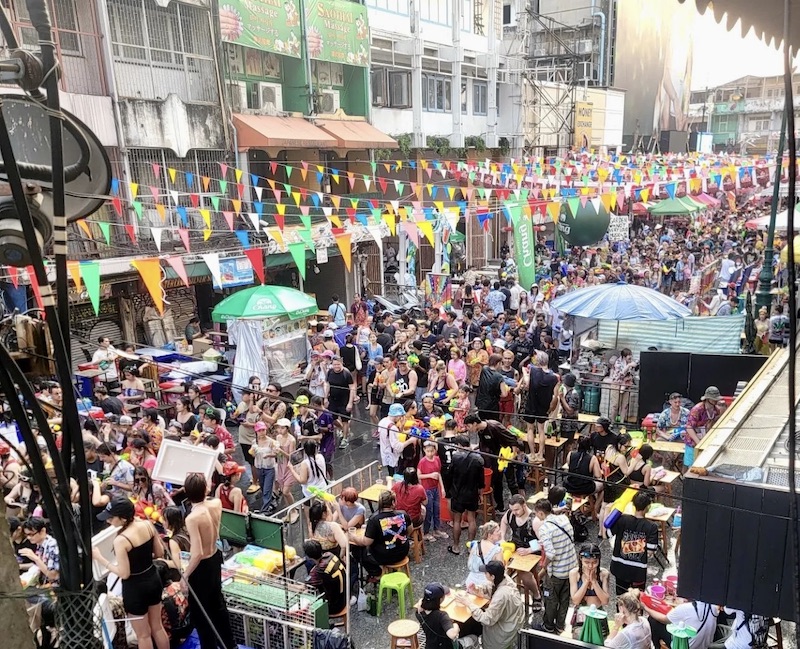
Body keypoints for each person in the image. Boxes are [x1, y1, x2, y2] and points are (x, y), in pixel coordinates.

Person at [93, 497, 170, 649]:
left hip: (135, 588)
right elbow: (159, 552)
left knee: (143, 635)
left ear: (122, 518)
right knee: (158, 627)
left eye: (111, 518)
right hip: (153, 579)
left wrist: (101, 559)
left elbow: (124, 573)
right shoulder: (147, 524)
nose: (108, 521)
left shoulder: (121, 540)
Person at [183, 473, 236, 649]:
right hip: (214, 557)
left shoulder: (192, 518)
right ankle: (230, 645)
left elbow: (197, 553)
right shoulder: (216, 504)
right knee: (218, 606)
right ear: (206, 488)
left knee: (201, 614)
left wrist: (185, 575)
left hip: (201, 566)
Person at [455, 560, 525, 649]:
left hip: (502, 633)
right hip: (511, 622)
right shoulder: (504, 578)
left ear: (492, 576)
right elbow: (491, 586)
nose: (484, 574)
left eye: (486, 573)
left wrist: (468, 603)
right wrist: (478, 590)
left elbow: (487, 619)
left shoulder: (501, 595)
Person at [534, 499, 578, 634]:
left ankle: (548, 625)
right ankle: (560, 625)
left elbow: (551, 553)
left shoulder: (545, 528)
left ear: (541, 513)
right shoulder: (564, 519)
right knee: (565, 599)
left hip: (557, 571)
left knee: (551, 599)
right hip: (571, 567)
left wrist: (543, 568)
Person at [464, 415, 520, 511]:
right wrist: (474, 449)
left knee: (511, 482)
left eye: (468, 426)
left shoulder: (494, 427)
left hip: (505, 455)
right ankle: (500, 506)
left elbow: (512, 438)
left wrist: (513, 455)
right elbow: (483, 443)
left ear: (474, 423)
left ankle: (518, 505)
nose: (468, 429)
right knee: (496, 482)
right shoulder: (480, 431)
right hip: (494, 458)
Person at [609, 490, 659, 595]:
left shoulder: (622, 519)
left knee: (621, 596)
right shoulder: (652, 527)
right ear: (648, 507)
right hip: (638, 571)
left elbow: (608, 533)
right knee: (637, 599)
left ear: (633, 504)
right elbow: (650, 552)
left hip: (619, 567)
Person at [351, 490, 411, 577]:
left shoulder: (374, 519)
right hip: (403, 551)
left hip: (384, 556)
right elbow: (409, 530)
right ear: (393, 503)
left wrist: (353, 537)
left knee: (357, 551)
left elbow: (366, 542)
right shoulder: (404, 514)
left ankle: (376, 574)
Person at [499, 494, 542, 608]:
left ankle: (537, 596)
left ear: (524, 506)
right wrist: (502, 537)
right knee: (497, 564)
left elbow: (543, 542)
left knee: (522, 572)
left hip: (532, 549)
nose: (514, 512)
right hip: (515, 546)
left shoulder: (534, 520)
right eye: (512, 510)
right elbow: (503, 522)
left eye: (517, 509)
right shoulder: (510, 514)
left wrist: (528, 550)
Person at [448, 435, 484, 555]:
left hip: (457, 493)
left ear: (459, 445)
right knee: (472, 519)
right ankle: (470, 546)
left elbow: (450, 474)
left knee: (457, 521)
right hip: (472, 493)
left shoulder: (456, 457)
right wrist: (480, 493)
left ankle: (456, 546)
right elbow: (481, 480)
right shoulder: (478, 459)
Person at [524, 350, 559, 463]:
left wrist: (525, 373)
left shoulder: (533, 371)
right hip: (544, 405)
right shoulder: (554, 377)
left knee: (530, 429)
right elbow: (555, 396)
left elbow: (527, 384)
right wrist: (551, 408)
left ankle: (532, 454)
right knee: (541, 430)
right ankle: (540, 453)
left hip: (531, 404)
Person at [643, 600, 720, 649]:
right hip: (705, 645)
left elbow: (663, 620)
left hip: (685, 646)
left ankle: (656, 647)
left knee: (653, 620)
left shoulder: (685, 608)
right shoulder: (714, 606)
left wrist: (646, 608)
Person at [569, 544, 610, 627]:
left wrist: (594, 582)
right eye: (586, 562)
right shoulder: (574, 574)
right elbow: (576, 600)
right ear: (581, 560)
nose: (590, 566)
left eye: (594, 562)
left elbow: (605, 601)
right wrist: (586, 581)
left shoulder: (604, 574)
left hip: (598, 613)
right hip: (581, 614)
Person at [303, 539, 348, 616]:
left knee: (305, 604)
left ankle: (327, 626)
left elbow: (304, 588)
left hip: (335, 607)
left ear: (309, 557)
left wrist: (286, 585)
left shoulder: (318, 572)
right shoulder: (330, 555)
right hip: (346, 598)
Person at [685, 386, 726, 467]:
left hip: (706, 438)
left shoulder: (716, 410)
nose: (716, 400)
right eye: (714, 399)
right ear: (708, 399)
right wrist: (699, 443)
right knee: (691, 466)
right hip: (693, 441)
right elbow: (689, 427)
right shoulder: (697, 409)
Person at [416, 583, 462, 649]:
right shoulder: (441, 616)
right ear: (441, 599)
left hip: (430, 646)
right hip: (446, 646)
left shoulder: (419, 612)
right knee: (472, 638)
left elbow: (420, 602)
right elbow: (452, 635)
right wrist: (455, 625)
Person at [417, 440, 446, 541]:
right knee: (428, 511)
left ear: (435, 451)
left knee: (437, 510)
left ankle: (436, 529)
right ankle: (426, 532)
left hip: (435, 488)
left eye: (432, 451)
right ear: (424, 450)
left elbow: (438, 474)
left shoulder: (437, 459)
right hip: (427, 489)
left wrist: (442, 487)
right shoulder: (422, 462)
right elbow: (419, 475)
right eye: (428, 451)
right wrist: (430, 475)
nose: (430, 453)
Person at [324, 356, 356, 448]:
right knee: (332, 418)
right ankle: (343, 429)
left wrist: (350, 402)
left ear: (341, 363)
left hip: (344, 400)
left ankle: (345, 438)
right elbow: (327, 385)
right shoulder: (330, 372)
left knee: (345, 419)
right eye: (334, 364)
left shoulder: (346, 373)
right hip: (333, 399)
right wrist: (326, 398)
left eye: (338, 364)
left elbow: (352, 388)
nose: (336, 366)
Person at [20, 517, 60, 586]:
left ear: (42, 531)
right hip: (44, 586)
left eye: (31, 534)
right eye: (26, 535)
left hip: (55, 588)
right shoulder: (40, 544)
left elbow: (53, 575)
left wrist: (35, 558)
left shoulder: (53, 546)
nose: (29, 538)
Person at [465, 520, 504, 592]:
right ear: (490, 535)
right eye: (498, 531)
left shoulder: (475, 544)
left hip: (470, 582)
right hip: (485, 586)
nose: (500, 532)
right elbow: (500, 572)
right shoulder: (497, 550)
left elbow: (469, 564)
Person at [378, 403, 415, 475]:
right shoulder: (392, 427)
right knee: (395, 476)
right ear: (397, 415)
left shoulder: (382, 421)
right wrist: (410, 440)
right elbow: (397, 446)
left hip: (385, 453)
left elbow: (393, 436)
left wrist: (401, 426)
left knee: (390, 474)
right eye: (400, 416)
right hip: (392, 456)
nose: (400, 418)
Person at [475, 353, 510, 421]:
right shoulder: (499, 377)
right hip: (492, 406)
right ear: (498, 363)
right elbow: (504, 394)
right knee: (492, 425)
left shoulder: (484, 369)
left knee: (482, 423)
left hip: (481, 404)